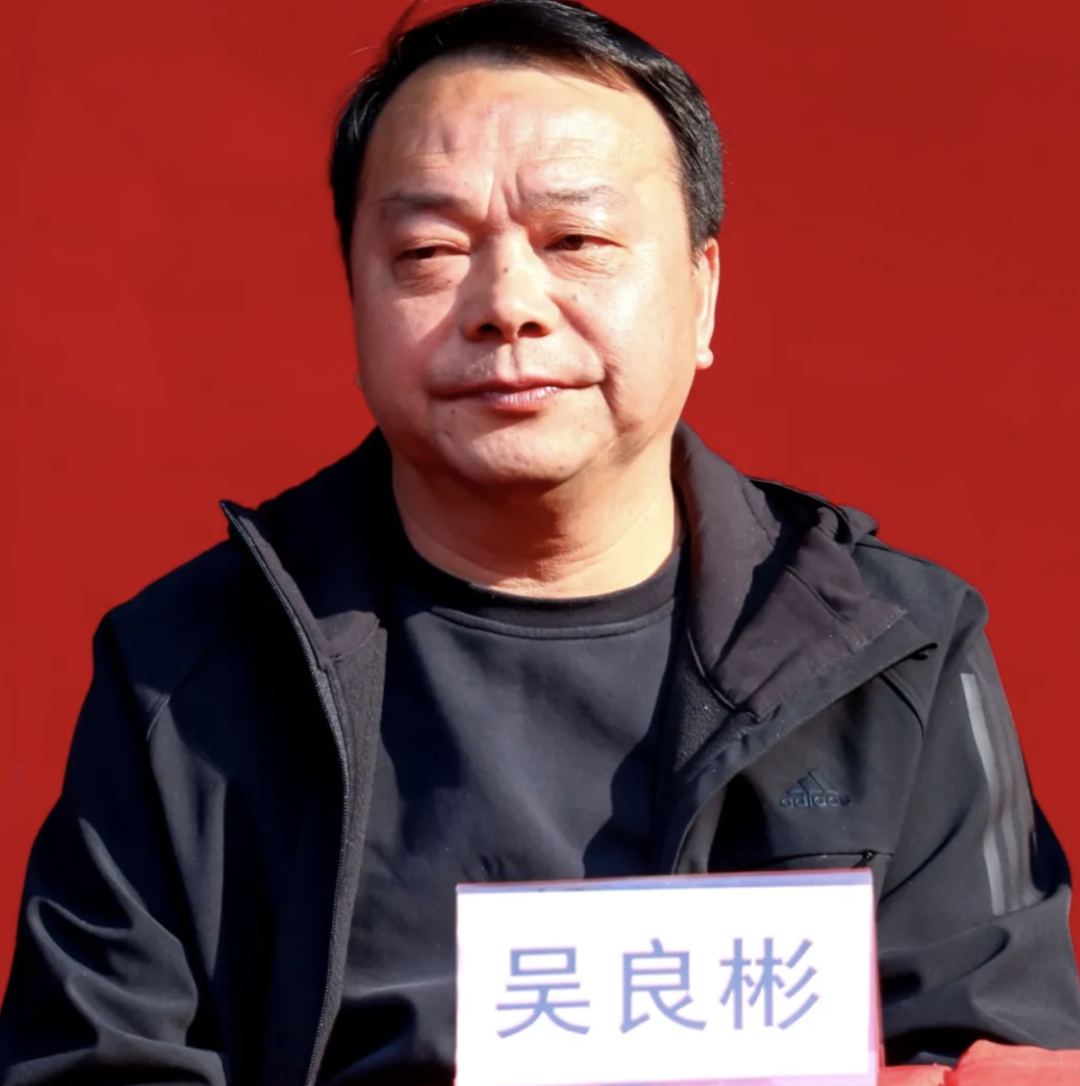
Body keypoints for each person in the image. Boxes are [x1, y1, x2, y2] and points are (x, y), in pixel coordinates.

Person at [2, 0, 1079, 1082]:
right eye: (430, 250)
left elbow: (993, 1050)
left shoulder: (894, 652)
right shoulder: (186, 671)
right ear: (355, 293)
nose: (507, 304)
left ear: (703, 291)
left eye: (578, 242)